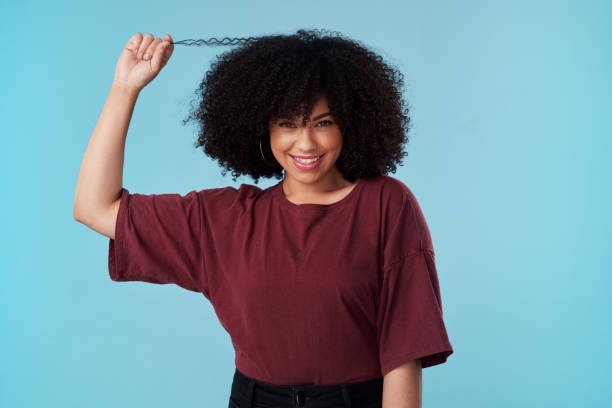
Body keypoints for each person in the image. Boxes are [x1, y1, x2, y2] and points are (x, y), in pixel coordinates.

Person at [73, 28, 454, 408]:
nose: (305, 143)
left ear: (349, 125)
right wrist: (125, 87)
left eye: (323, 123)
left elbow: (404, 351)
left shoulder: (387, 205)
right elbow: (94, 207)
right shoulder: (223, 219)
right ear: (263, 127)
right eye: (288, 123)